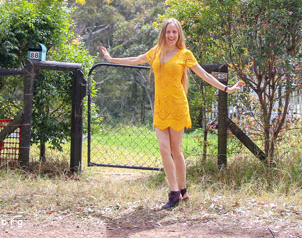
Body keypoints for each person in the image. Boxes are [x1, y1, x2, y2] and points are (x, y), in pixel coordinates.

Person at [100, 18, 243, 210]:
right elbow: (136, 59)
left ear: (179, 34)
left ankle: (183, 190)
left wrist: (227, 89)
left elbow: (205, 75)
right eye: (168, 32)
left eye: (174, 32)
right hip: (160, 108)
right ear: (163, 33)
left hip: (177, 107)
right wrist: (111, 59)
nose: (171, 35)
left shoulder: (185, 54)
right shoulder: (156, 52)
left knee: (176, 150)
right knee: (163, 149)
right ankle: (174, 193)